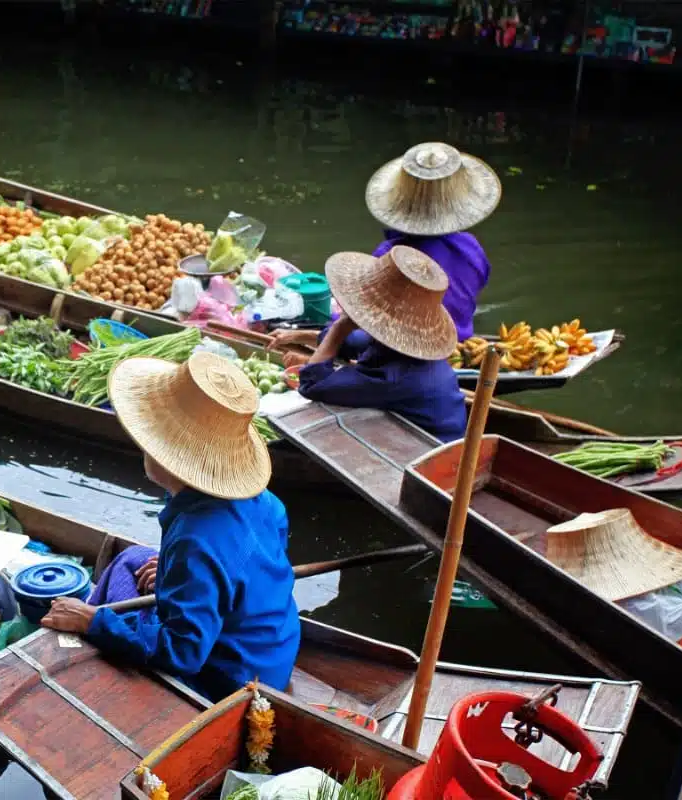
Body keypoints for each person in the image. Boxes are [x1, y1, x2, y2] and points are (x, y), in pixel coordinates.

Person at [40, 351, 301, 701]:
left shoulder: (197, 541)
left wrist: (93, 622)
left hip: (232, 679)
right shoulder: (266, 502)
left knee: (110, 600)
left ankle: (78, 638)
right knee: (132, 559)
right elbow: (245, 568)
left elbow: (184, 653)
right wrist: (168, 570)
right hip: (274, 646)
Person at [269, 245, 466, 443]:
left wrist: (340, 327)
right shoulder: (398, 345)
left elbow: (312, 383)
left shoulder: (393, 378)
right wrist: (296, 336)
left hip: (428, 450)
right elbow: (354, 342)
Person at [336, 141, 501, 347]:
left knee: (338, 331)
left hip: (408, 350)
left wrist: (334, 322)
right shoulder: (471, 247)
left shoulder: (390, 255)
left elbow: (366, 316)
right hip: (461, 341)